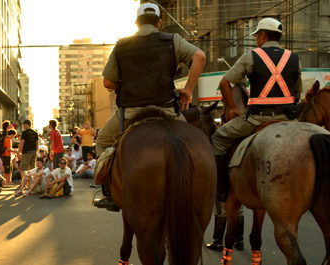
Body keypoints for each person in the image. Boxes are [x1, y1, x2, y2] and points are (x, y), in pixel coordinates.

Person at [94, 3, 206, 211]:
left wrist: (126, 84)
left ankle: (109, 193)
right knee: (195, 145)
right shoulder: (173, 40)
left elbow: (108, 83)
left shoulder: (121, 46)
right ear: (159, 23)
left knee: (102, 142)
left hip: (130, 111)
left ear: (136, 24)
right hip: (166, 110)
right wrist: (188, 90)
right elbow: (200, 57)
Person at [211, 17, 301, 203]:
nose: (256, 40)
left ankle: (221, 190)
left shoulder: (251, 56)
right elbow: (298, 92)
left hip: (257, 119)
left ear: (262, 35)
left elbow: (224, 83)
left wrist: (233, 108)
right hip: (289, 120)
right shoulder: (294, 58)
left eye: (257, 36)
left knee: (218, 139)